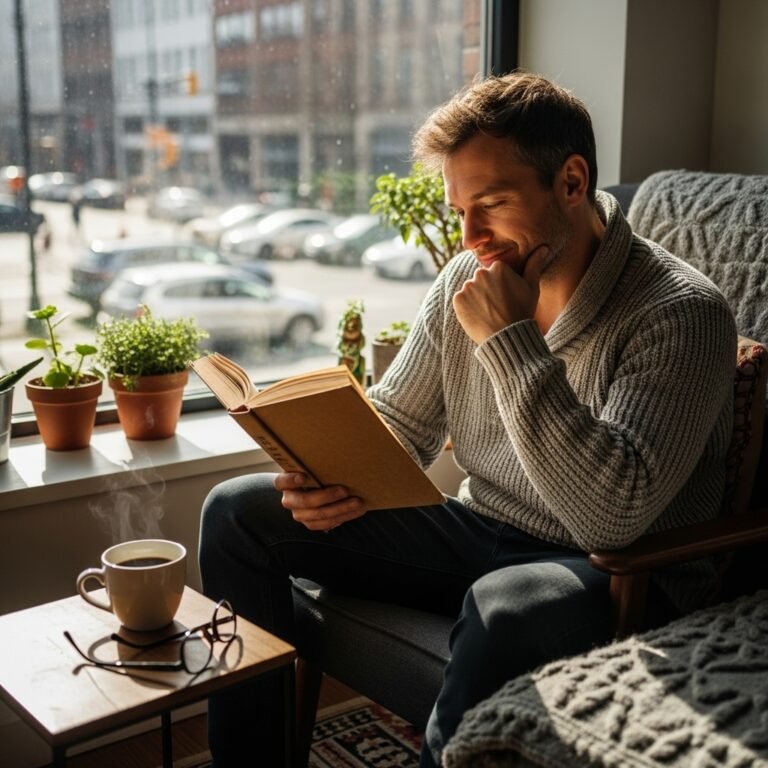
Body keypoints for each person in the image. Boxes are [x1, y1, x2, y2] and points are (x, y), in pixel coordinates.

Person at [199, 72, 736, 766]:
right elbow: (401, 424)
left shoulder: (681, 313)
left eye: (493, 204)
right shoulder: (466, 278)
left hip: (620, 571)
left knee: (502, 602)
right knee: (238, 511)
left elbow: (612, 517)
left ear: (571, 183)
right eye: (458, 210)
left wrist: (507, 341)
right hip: (482, 531)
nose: (471, 237)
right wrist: (325, 471)